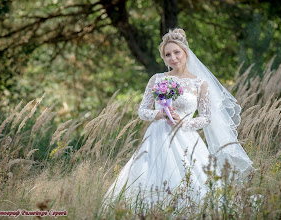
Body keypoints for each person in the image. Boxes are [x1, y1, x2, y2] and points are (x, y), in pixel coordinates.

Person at [105, 28, 253, 206]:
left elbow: (206, 118)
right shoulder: (157, 79)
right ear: (164, 58)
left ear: (186, 52)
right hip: (156, 137)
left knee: (194, 182)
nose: (173, 58)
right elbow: (142, 111)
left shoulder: (200, 83)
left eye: (177, 52)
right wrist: (158, 114)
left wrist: (185, 122)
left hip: (186, 136)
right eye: (168, 54)